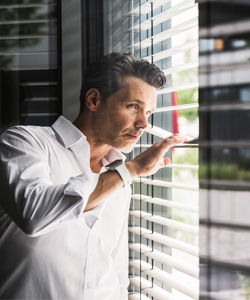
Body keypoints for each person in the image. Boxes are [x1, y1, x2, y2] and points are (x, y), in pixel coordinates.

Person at [0, 53, 187, 299]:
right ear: (94, 100)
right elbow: (34, 215)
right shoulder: (23, 142)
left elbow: (116, 267)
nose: (143, 123)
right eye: (133, 106)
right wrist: (130, 170)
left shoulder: (120, 180)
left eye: (149, 113)